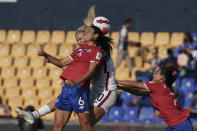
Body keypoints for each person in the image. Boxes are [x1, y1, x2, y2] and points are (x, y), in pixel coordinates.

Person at [117, 66, 193, 131]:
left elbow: (136, 84)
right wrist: (121, 87)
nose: (154, 74)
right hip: (180, 124)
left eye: (156, 73)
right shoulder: (162, 88)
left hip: (180, 125)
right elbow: (138, 92)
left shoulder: (158, 85)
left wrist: (117, 81)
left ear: (162, 78)